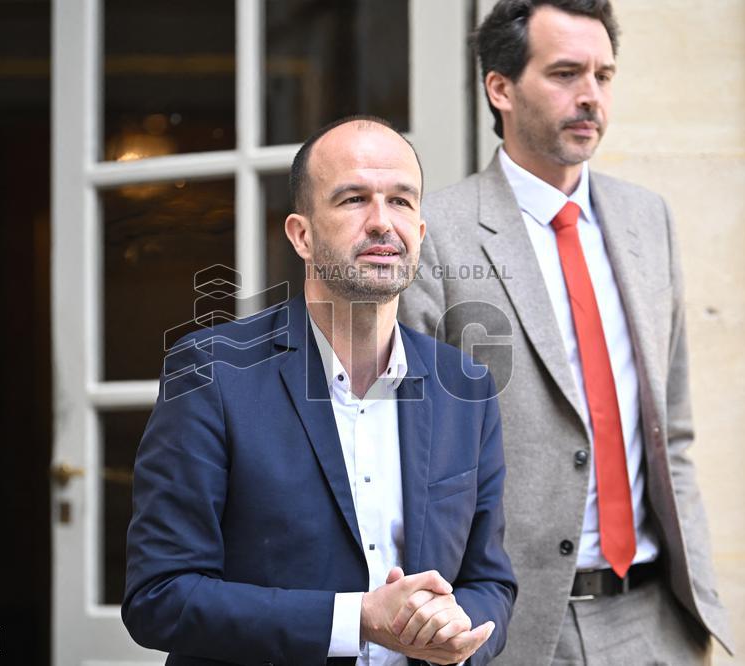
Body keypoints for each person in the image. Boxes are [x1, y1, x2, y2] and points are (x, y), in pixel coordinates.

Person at [398, 2, 733, 664]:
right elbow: (412, 451)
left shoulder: (647, 220)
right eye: (565, 74)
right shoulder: (437, 235)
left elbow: (676, 427)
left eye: (604, 76)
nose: (591, 98)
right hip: (512, 626)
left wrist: (693, 602)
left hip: (655, 618)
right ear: (500, 87)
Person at [123, 116, 517, 666]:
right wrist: (355, 621)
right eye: (354, 199)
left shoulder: (466, 387)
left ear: (421, 233)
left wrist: (457, 626)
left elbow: (490, 583)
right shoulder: (210, 372)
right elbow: (158, 597)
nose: (383, 223)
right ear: (302, 234)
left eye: (401, 201)